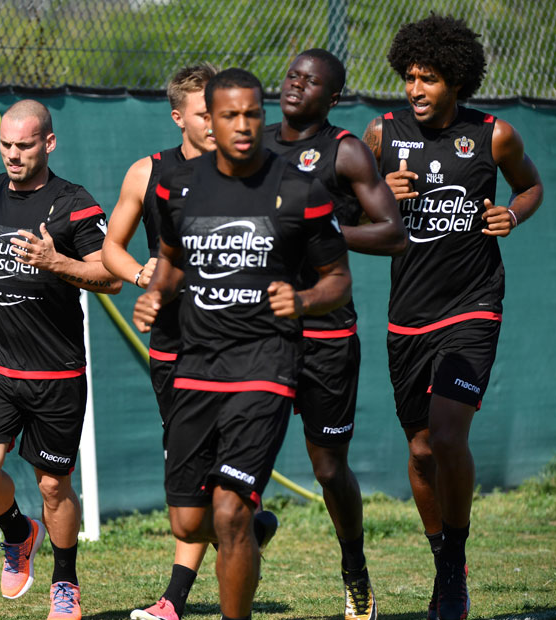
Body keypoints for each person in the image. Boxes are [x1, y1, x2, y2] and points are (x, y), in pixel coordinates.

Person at [133, 68, 351, 620]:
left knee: (228, 511)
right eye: (228, 115)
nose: (242, 125)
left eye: (252, 113)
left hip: (265, 364)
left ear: (263, 113)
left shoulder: (299, 188)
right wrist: (155, 293)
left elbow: (337, 279)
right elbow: (172, 259)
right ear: (209, 117)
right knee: (188, 520)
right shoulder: (176, 187)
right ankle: (254, 532)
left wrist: (302, 302)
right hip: (197, 364)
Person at [361, 15, 543, 620]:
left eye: (429, 77)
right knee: (418, 453)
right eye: (410, 76)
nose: (415, 87)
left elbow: (531, 188)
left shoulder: (495, 136)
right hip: (406, 316)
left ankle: (452, 571)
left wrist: (512, 216)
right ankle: (444, 557)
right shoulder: (381, 135)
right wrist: (382, 192)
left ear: (456, 81)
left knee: (445, 436)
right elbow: (341, 205)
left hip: (472, 307)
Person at [102, 64, 277, 620]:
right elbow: (113, 248)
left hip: (248, 352)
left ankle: (174, 600)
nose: (217, 124)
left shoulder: (260, 172)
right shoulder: (148, 174)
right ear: (179, 116)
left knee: (227, 493)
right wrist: (142, 277)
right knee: (193, 503)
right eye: (206, 114)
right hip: (176, 351)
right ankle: (250, 525)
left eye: (225, 112)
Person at [0, 99, 121, 620]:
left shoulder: (74, 204)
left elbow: (110, 276)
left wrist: (55, 260)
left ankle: (65, 582)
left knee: (53, 485)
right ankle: (17, 533)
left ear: (48, 144)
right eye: (6, 144)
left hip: (56, 373)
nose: (12, 154)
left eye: (24, 145)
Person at [264, 48, 408, 620]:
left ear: (333, 96)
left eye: (311, 82)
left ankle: (355, 570)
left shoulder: (344, 150)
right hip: (261, 333)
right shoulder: (254, 144)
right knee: (229, 455)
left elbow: (393, 232)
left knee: (327, 468)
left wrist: (326, 229)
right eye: (291, 76)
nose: (296, 87)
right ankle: (243, 531)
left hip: (325, 335)